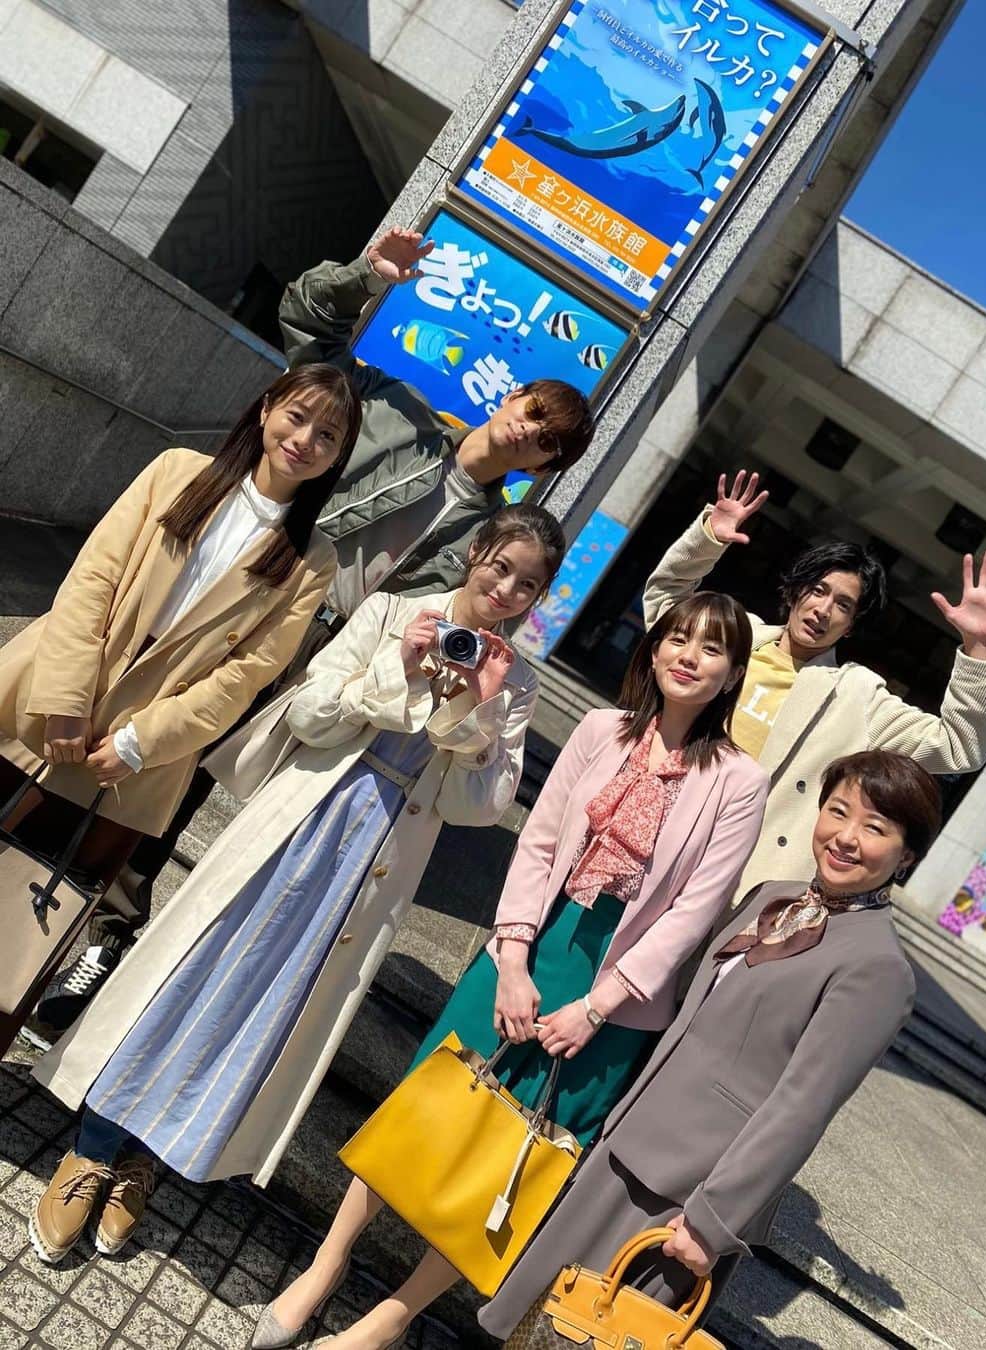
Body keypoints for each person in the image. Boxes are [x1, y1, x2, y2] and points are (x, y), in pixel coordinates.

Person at [51, 226, 597, 1031]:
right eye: (533, 411)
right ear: (511, 396)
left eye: (549, 440)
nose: (530, 430)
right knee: (148, 749)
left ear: (545, 466)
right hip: (254, 614)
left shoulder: (490, 537)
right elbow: (310, 330)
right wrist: (366, 275)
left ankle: (116, 939)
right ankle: (63, 908)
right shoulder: (396, 414)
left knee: (220, 797)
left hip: (331, 666)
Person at [27, 503, 563, 1267]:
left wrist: (474, 708)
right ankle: (93, 1147)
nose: (505, 589)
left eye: (526, 584)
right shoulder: (391, 613)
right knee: (193, 973)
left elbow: (476, 806)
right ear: (476, 552)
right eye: (500, 566)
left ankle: (147, 1158)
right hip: (298, 823)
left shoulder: (515, 684)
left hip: (374, 864)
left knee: (264, 1010)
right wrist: (400, 668)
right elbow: (310, 714)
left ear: (539, 597)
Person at [257, 589, 770, 1350]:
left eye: (713, 648)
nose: (690, 657)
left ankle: (393, 1317)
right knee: (427, 1102)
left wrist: (596, 1008)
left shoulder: (739, 781)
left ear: (732, 675)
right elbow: (538, 843)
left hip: (617, 998)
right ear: (655, 645)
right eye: (679, 638)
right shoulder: (600, 730)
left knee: (518, 1156)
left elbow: (695, 911)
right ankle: (325, 1264)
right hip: (531, 947)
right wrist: (513, 958)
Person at [478, 749, 941, 1337]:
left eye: (875, 828)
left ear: (907, 856)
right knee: (533, 1324)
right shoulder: (773, 896)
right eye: (838, 811)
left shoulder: (879, 968)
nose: (846, 837)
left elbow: (802, 1107)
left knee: (586, 1336)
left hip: (688, 1194)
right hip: (631, 1143)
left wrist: (715, 1220)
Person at [0, 364, 355, 1049]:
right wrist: (67, 697)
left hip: (132, 765)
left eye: (328, 435)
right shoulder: (177, 472)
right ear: (266, 409)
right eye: (298, 416)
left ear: (338, 458)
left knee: (27, 920)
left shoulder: (312, 559)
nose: (305, 440)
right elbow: (93, 578)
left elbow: (246, 677)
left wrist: (140, 743)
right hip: (42, 701)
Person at [645, 470, 986, 897]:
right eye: (818, 590)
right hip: (655, 818)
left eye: (842, 604)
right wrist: (707, 539)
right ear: (795, 592)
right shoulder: (736, 637)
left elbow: (960, 746)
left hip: (735, 873)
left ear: (851, 625)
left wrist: (978, 649)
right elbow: (664, 605)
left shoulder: (856, 696)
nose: (823, 610)